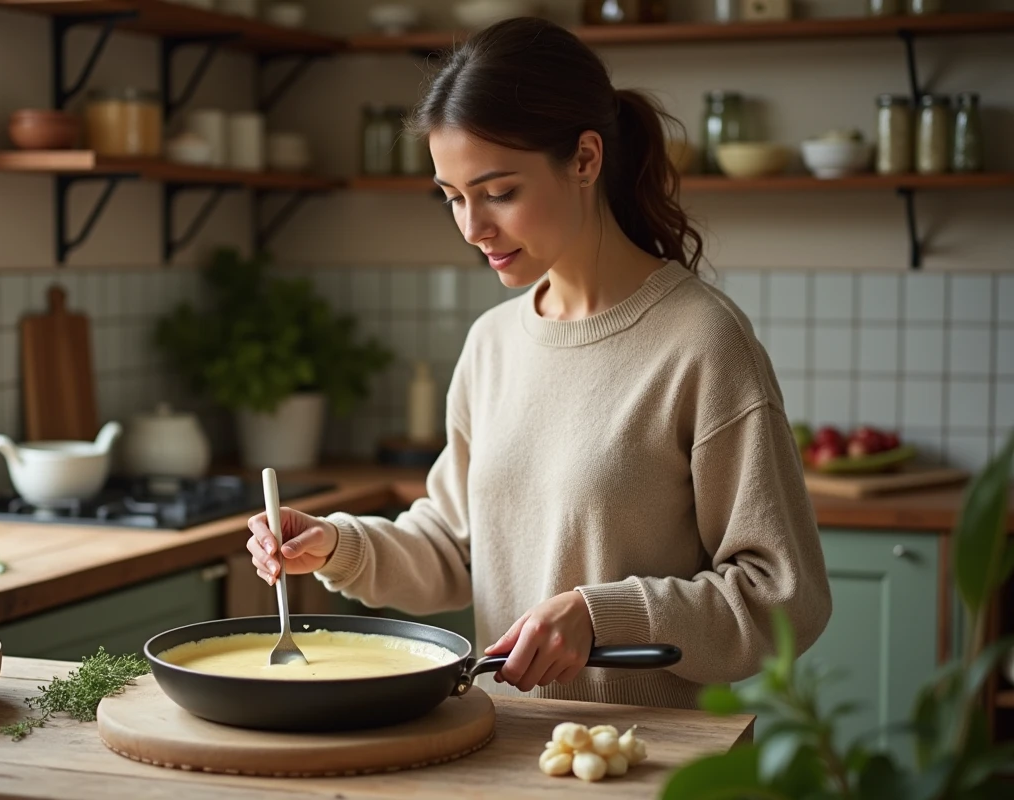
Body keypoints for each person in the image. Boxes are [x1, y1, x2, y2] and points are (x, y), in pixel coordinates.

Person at [246, 16, 831, 709]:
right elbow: (457, 548)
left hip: (650, 764)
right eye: (453, 198)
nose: (472, 228)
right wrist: (336, 545)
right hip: (509, 751)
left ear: (585, 159)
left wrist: (598, 614)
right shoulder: (492, 344)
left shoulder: (703, 342)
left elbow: (782, 599)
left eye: (498, 191)